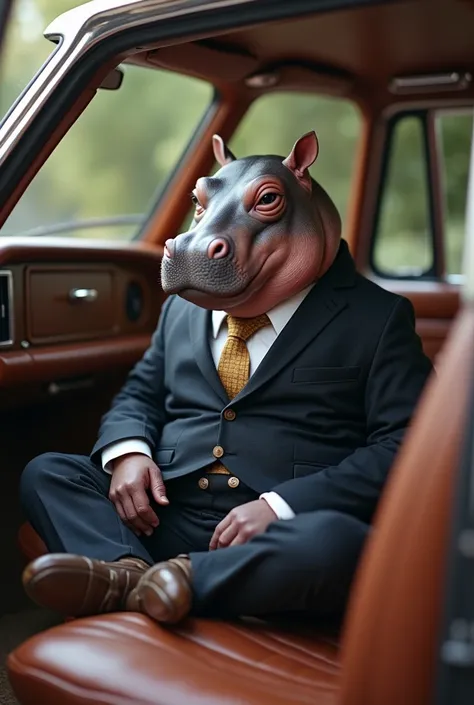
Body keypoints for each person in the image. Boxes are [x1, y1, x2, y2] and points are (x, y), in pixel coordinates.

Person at [20, 132, 433, 624]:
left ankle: (166, 581)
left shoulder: (377, 318)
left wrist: (280, 506)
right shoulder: (180, 310)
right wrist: (129, 452)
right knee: (48, 472)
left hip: (275, 529)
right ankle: (136, 575)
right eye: (201, 207)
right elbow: (142, 393)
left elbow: (407, 444)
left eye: (265, 203)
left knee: (337, 544)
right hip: (167, 508)